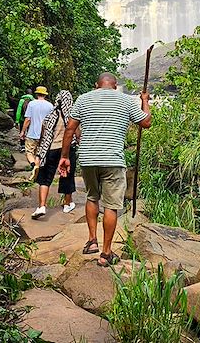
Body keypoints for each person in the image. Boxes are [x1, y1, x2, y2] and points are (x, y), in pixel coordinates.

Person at [59, 73, 151, 265]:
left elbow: (69, 129)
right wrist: (144, 101)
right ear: (115, 86)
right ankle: (106, 253)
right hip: (113, 160)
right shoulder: (125, 100)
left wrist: (65, 157)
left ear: (96, 85)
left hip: (88, 159)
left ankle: (92, 241)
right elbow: (146, 122)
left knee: (92, 196)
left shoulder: (83, 99)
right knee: (111, 205)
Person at [31, 90, 78, 219]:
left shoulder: (51, 115)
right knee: (67, 175)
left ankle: (41, 206)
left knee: (45, 178)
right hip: (67, 150)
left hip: (51, 149)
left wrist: (40, 154)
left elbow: (44, 135)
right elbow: (77, 133)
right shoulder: (73, 116)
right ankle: (67, 204)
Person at [20, 86, 53, 169]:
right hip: (45, 134)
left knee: (29, 152)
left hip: (32, 133)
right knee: (41, 152)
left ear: (36, 94)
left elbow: (28, 119)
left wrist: (23, 131)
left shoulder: (32, 104)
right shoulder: (50, 106)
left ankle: (33, 164)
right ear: (45, 95)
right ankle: (39, 167)